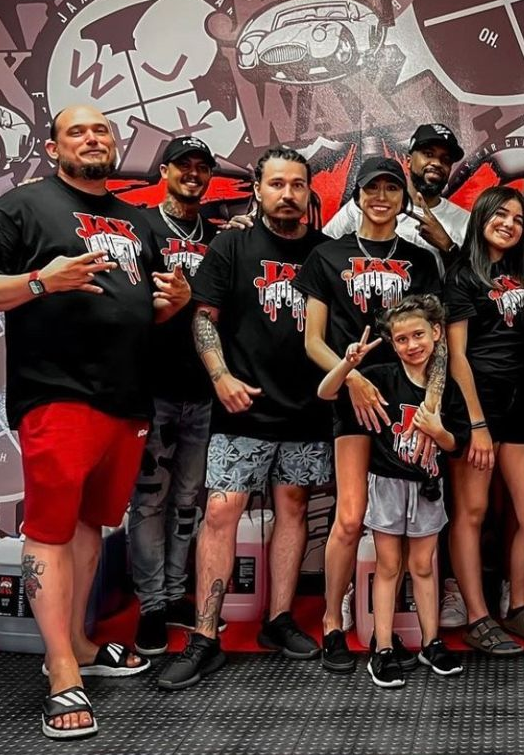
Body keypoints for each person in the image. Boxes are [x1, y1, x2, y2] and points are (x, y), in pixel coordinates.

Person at [0, 105, 191, 739]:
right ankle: (60, 673)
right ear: (53, 148)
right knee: (52, 529)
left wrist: (174, 306)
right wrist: (39, 281)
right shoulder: (24, 207)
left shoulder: (136, 221)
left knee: (89, 525)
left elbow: (142, 310)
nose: (93, 137)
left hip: (128, 400)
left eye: (102, 129)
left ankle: (80, 644)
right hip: (56, 393)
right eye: (78, 130)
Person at [157, 146, 332, 691]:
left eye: (297, 185)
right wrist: (221, 378)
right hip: (242, 407)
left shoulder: (325, 254)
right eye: (276, 184)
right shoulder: (231, 245)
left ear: (308, 192)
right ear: (257, 190)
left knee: (294, 508)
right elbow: (203, 318)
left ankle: (277, 620)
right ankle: (205, 635)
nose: (287, 194)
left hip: (306, 409)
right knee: (222, 509)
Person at [294, 156, 443, 673]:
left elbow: (439, 343)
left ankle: (412, 634)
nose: (381, 197)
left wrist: (432, 403)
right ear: (357, 195)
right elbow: (313, 340)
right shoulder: (326, 256)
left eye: (391, 189)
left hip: (409, 406)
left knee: (415, 524)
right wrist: (352, 377)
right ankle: (332, 625)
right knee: (351, 516)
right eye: (372, 188)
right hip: (355, 399)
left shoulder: (421, 261)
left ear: (403, 199)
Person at [318, 295, 466, 688]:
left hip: (429, 488)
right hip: (386, 485)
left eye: (418, 335)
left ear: (436, 334)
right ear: (392, 343)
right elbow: (325, 392)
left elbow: (457, 443)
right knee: (387, 566)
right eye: (401, 339)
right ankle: (382, 648)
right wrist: (348, 365)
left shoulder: (446, 388)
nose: (412, 345)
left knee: (423, 565)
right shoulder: (381, 377)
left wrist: (439, 433)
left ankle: (431, 642)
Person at [445, 186, 524, 656]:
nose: (508, 223)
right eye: (499, 214)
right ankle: (477, 615)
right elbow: (456, 357)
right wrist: (476, 424)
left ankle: (520, 605)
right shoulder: (463, 275)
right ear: (482, 217)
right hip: (478, 403)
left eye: (517, 217)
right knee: (472, 512)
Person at [128, 136, 219, 655]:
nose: (192, 173)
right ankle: (150, 606)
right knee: (149, 501)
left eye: (200, 166)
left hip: (202, 389)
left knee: (188, 500)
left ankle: (174, 590)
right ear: (163, 170)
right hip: (154, 388)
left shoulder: (220, 236)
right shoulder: (142, 227)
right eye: (183, 164)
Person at [323, 124, 469, 272]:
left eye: (446, 159)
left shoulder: (465, 222)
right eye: (428, 154)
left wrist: (447, 245)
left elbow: (475, 284)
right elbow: (321, 253)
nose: (437, 163)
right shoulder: (366, 206)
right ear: (409, 161)